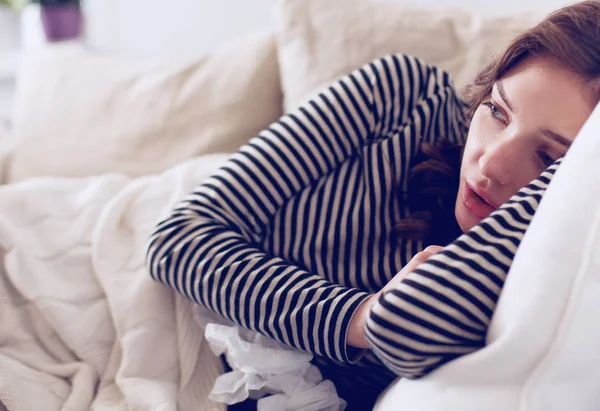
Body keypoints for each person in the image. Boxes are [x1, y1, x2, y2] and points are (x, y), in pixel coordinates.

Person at [146, 1, 600, 409]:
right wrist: (360, 317)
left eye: (547, 157)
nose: (491, 163)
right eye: (498, 111)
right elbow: (178, 236)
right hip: (146, 282)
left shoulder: (544, 277)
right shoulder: (401, 97)